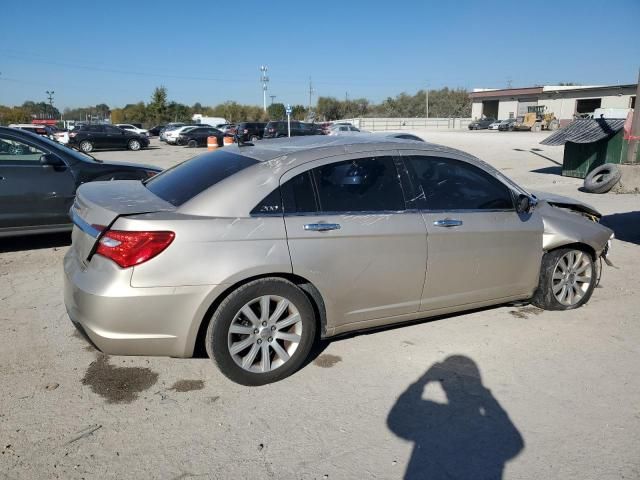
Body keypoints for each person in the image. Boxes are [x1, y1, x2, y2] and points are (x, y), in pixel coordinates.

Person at [387, 356, 524, 480]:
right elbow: (514, 443)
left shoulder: (432, 413)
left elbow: (395, 420)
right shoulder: (487, 426)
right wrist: (486, 397)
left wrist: (423, 380)